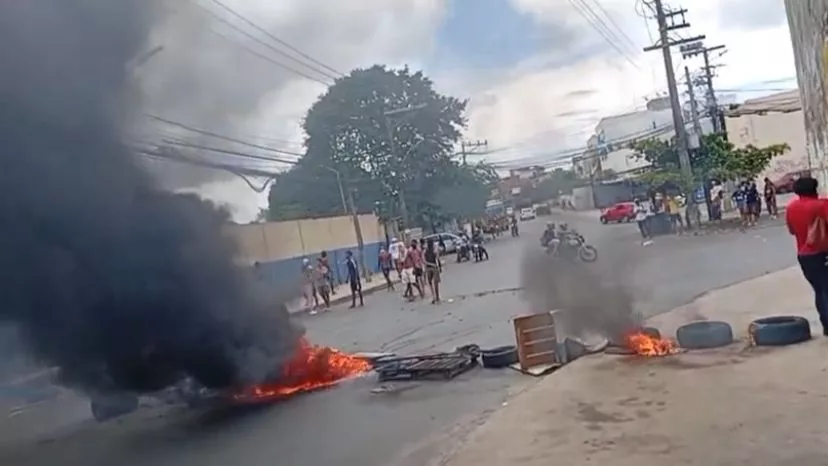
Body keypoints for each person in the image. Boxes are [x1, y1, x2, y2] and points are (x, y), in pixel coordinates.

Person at [785, 176, 828, 335]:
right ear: (814, 189)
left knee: (819, 290)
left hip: (804, 255)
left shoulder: (791, 207)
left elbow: (791, 230)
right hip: (823, 252)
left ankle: (826, 325)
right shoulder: (822, 205)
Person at [424, 238, 441, 304]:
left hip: (429, 268)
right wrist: (435, 265)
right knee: (435, 283)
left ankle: (434, 297)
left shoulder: (427, 251)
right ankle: (436, 297)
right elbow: (437, 258)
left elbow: (425, 261)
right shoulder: (431, 251)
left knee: (431, 283)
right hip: (433, 267)